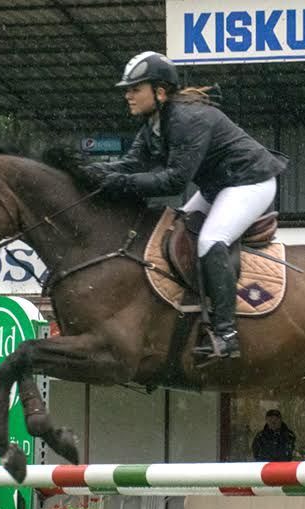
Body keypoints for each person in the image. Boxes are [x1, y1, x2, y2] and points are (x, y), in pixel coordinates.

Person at [84, 51, 288, 359]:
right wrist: (86, 172)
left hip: (250, 180)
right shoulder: (154, 123)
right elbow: (129, 165)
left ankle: (226, 333)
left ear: (160, 92)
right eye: (128, 89)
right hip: (219, 185)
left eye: (135, 88)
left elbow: (174, 182)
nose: (128, 95)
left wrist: (120, 183)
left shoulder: (185, 119)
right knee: (175, 230)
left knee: (210, 240)